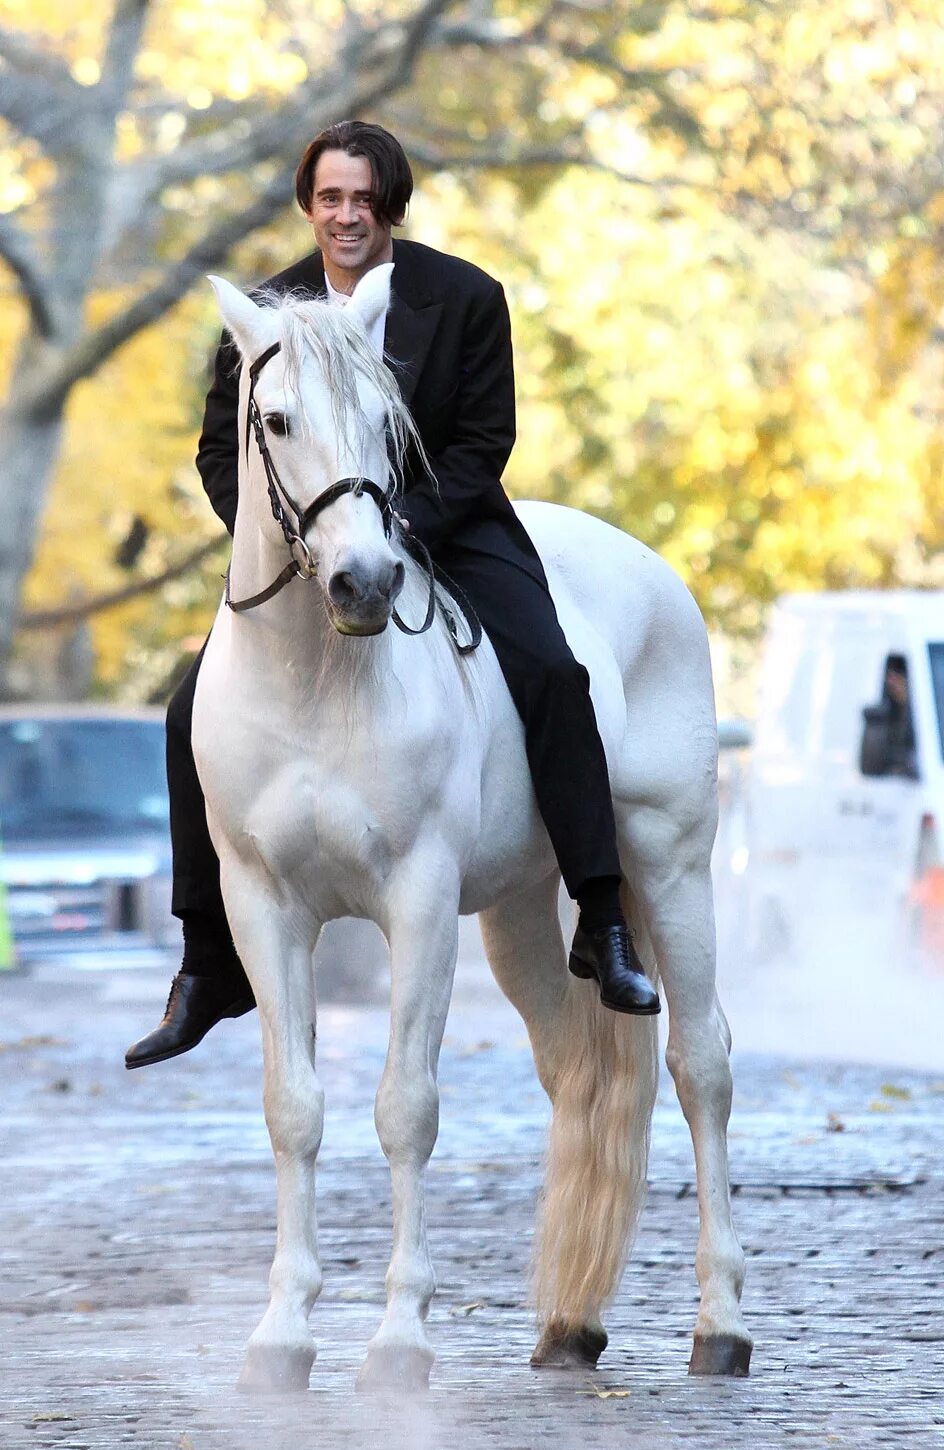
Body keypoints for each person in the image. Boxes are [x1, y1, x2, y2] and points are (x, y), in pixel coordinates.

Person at [125, 121, 659, 1071]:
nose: (346, 216)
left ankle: (604, 917)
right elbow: (223, 454)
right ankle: (208, 962)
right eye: (330, 198)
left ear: (390, 207)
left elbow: (483, 441)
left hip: (448, 528)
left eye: (363, 200)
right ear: (309, 203)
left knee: (552, 671)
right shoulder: (263, 314)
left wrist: (404, 528)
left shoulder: (465, 298)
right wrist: (300, 540)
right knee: (182, 711)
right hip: (313, 551)